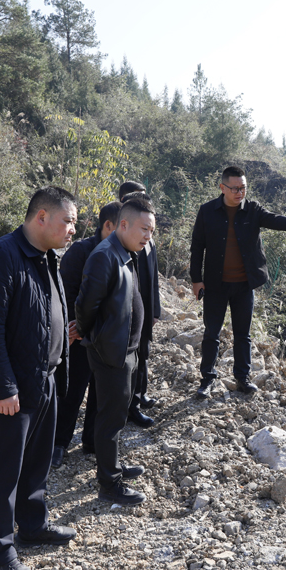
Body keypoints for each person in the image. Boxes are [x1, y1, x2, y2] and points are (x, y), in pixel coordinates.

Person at [0, 186, 79, 570]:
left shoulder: (47, 257)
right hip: (12, 388)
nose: (73, 229)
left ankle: (32, 525)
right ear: (41, 217)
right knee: (3, 471)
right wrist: (3, 388)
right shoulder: (1, 256)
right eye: (68, 221)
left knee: (37, 461)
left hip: (44, 379)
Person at [190, 166, 286, 398]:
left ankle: (243, 378)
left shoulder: (252, 210)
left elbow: (276, 220)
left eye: (243, 188)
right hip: (215, 284)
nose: (240, 192)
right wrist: (196, 280)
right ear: (222, 188)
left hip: (244, 284)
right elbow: (197, 247)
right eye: (235, 188)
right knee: (212, 333)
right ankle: (207, 379)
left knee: (243, 334)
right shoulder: (207, 211)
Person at [74, 196, 156, 506]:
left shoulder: (125, 251)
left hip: (126, 349)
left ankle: (113, 465)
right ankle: (109, 483)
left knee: (117, 414)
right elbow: (85, 305)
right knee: (110, 418)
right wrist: (91, 334)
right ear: (123, 224)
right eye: (144, 229)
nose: (148, 236)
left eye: (151, 231)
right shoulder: (105, 255)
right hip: (111, 351)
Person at [51, 201, 121, 469]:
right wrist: (77, 325)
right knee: (72, 390)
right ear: (108, 225)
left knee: (101, 395)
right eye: (123, 226)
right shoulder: (81, 251)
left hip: (108, 338)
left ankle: (91, 441)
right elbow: (65, 293)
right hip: (80, 337)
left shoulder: (123, 253)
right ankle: (58, 443)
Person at [118, 181, 161, 429]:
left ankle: (138, 397)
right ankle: (128, 405)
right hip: (126, 312)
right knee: (128, 360)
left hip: (144, 310)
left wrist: (155, 310)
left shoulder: (148, 238)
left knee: (142, 355)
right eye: (138, 198)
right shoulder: (122, 239)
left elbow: (153, 279)